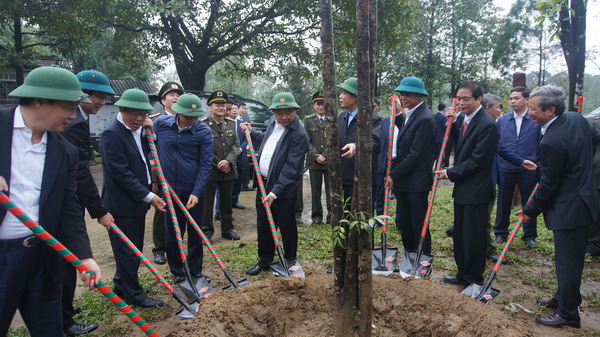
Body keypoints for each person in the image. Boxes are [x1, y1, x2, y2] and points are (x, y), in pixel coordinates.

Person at [0, 66, 100, 337]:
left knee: (49, 329)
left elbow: (69, 206)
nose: (72, 115)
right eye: (68, 107)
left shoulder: (63, 149)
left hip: (41, 257)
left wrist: (85, 256)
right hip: (3, 257)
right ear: (40, 101)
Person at [519, 85, 600, 328]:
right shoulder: (577, 119)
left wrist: (529, 211)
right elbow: (596, 140)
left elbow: (548, 184)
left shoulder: (551, 142)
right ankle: (562, 298)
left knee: (568, 262)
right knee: (568, 259)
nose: (529, 112)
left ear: (550, 110)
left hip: (570, 208)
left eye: (532, 109)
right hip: (584, 200)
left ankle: (568, 313)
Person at [60, 69, 116, 336]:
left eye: (105, 98)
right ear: (81, 93)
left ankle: (65, 308)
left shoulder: (79, 119)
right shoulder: (74, 124)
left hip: (68, 202)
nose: (101, 103)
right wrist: (100, 211)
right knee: (63, 260)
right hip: (63, 203)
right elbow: (82, 173)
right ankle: (64, 320)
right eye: (98, 97)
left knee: (65, 261)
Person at [100, 88, 166, 307]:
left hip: (137, 202)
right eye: (134, 114)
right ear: (121, 109)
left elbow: (150, 156)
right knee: (128, 251)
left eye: (143, 114)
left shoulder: (139, 131)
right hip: (121, 204)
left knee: (132, 247)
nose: (139, 118)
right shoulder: (112, 134)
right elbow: (121, 173)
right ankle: (133, 295)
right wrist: (149, 196)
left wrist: (152, 134)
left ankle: (121, 285)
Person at [435, 80, 498, 286]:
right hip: (463, 190)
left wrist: (449, 172)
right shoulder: (463, 119)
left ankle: (474, 277)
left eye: (466, 99)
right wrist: (451, 124)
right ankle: (462, 272)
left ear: (479, 99)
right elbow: (460, 143)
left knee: (474, 237)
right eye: (459, 98)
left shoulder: (487, 124)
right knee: (460, 234)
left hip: (477, 191)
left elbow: (478, 160)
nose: (461, 102)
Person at [243, 92, 309, 275]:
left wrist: (275, 192)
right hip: (264, 183)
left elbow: (291, 169)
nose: (284, 117)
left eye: (288, 112)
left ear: (294, 111)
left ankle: (289, 260)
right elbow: (268, 141)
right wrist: (252, 132)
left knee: (286, 224)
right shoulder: (273, 123)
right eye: (279, 113)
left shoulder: (299, 134)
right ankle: (265, 259)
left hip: (284, 189)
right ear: (273, 113)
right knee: (263, 223)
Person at [153, 93, 213, 283]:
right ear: (177, 113)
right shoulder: (161, 124)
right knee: (173, 231)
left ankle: (195, 271)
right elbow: (148, 142)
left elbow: (205, 164)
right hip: (169, 188)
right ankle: (178, 271)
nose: (191, 121)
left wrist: (196, 192)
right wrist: (150, 159)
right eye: (187, 117)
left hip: (193, 189)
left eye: (195, 117)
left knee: (196, 232)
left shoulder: (203, 131)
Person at [385, 77, 435, 256]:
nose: (403, 98)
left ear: (419, 95)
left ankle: (422, 259)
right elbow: (406, 134)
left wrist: (393, 175)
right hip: (405, 181)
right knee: (405, 222)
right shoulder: (411, 113)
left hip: (416, 183)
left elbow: (416, 154)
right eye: (401, 94)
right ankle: (410, 255)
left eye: (407, 94)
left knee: (417, 224)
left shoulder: (425, 118)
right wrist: (399, 115)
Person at [494, 87, 540, 248]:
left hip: (529, 167)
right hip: (506, 167)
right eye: (511, 98)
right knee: (503, 201)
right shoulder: (502, 121)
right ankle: (500, 233)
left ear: (527, 100)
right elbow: (498, 144)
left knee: (529, 201)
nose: (513, 101)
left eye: (516, 98)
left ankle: (529, 235)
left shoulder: (535, 120)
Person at [151, 81, 184, 265]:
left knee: (180, 211)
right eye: (171, 94)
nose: (175, 97)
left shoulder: (187, 119)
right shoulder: (155, 122)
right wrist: (155, 177)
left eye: (178, 94)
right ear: (163, 100)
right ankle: (159, 248)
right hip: (163, 176)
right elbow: (151, 151)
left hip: (182, 176)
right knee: (162, 211)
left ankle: (176, 245)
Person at [201, 90, 241, 241]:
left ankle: (227, 230)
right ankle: (206, 232)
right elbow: (203, 149)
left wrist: (229, 161)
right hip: (210, 170)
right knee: (207, 203)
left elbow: (236, 145)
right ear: (210, 107)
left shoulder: (231, 124)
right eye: (217, 104)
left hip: (228, 169)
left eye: (223, 105)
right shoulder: (203, 124)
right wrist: (219, 162)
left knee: (226, 202)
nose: (221, 107)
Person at [337, 77, 382, 201]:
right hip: (344, 176)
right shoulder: (341, 117)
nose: (340, 96)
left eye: (344, 93)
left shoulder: (372, 118)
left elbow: (376, 143)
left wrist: (357, 146)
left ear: (356, 97)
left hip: (363, 178)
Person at [304, 91, 331, 225]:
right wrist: (316, 156)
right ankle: (316, 218)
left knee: (330, 191)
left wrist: (325, 155)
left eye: (323, 104)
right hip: (314, 162)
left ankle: (332, 217)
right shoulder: (308, 121)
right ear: (314, 106)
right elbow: (306, 141)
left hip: (329, 161)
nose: (321, 107)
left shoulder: (332, 120)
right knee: (315, 192)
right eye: (318, 104)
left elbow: (335, 139)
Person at [230, 100, 248, 210]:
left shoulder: (241, 123)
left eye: (236, 109)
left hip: (241, 154)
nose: (234, 111)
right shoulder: (226, 123)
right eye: (232, 109)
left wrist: (241, 148)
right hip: (230, 155)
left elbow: (247, 138)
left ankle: (235, 200)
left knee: (239, 178)